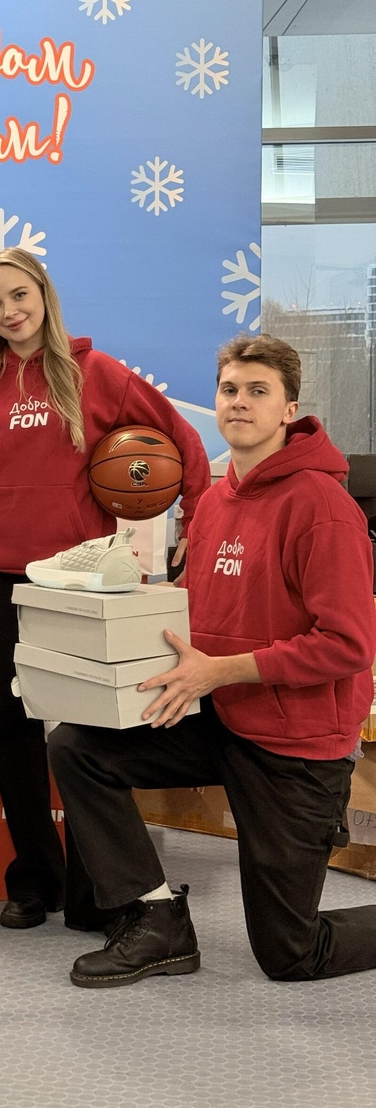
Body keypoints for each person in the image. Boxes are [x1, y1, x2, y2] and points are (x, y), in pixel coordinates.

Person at [49, 333, 376, 987]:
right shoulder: (220, 499)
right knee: (77, 748)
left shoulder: (323, 508)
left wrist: (219, 671)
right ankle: (156, 919)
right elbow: (198, 607)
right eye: (230, 390)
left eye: (258, 391)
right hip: (223, 720)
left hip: (297, 748)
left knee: (291, 953)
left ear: (289, 410)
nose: (239, 402)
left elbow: (348, 645)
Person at [0, 247, 210, 931]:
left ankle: (95, 887)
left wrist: (196, 520)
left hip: (79, 575)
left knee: (87, 726)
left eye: (19, 295)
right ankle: (34, 877)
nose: (9, 311)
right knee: (10, 727)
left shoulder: (97, 373)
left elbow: (181, 442)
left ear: (44, 295)